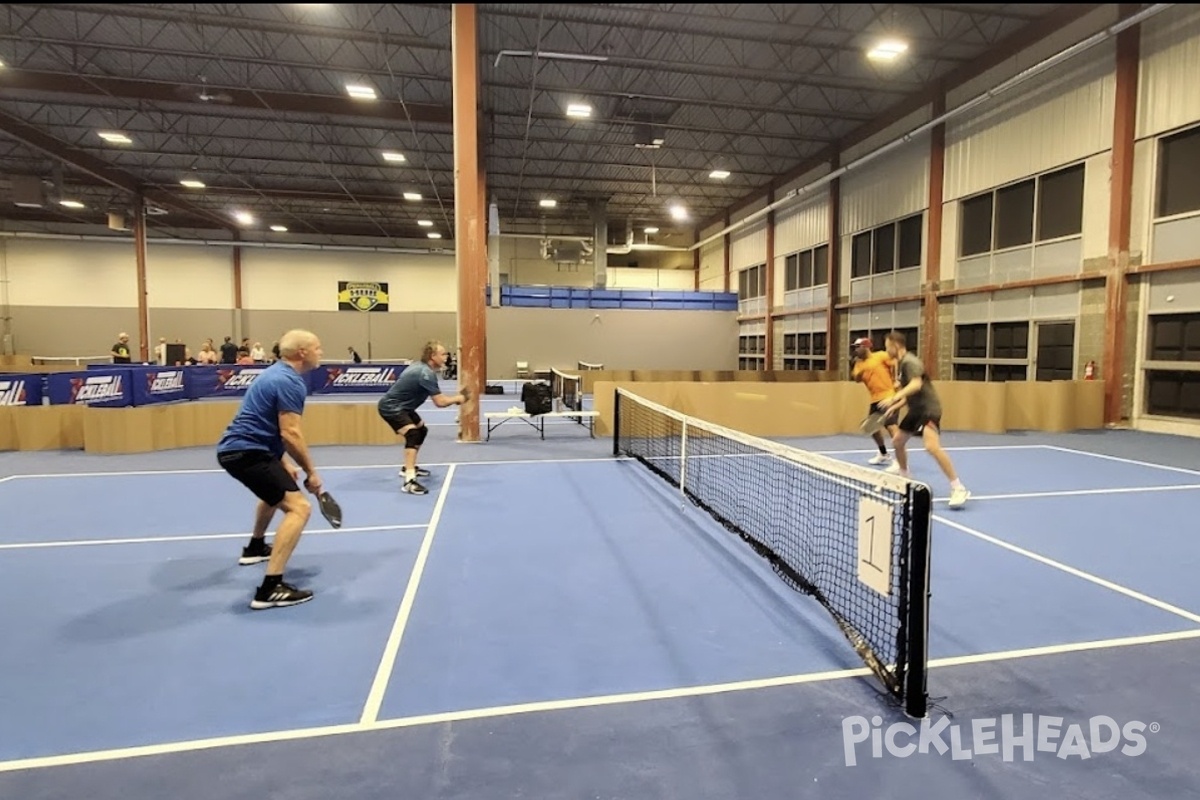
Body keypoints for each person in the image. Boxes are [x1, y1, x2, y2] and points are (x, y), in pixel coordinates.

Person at [216, 329, 325, 609]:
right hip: (246, 453)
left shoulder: (275, 373)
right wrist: (311, 472)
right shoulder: (289, 381)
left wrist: (282, 463)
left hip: (242, 450)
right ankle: (270, 588)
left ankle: (255, 548)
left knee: (275, 492)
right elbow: (290, 433)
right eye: (317, 347)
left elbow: (267, 427)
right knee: (299, 508)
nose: (320, 352)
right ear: (302, 352)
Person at [878, 330, 970, 509]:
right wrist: (893, 408)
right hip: (915, 410)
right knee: (897, 442)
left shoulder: (910, 362)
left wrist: (893, 398)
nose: (886, 350)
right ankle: (904, 478)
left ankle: (958, 487)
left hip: (929, 409)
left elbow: (916, 385)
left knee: (931, 446)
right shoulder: (901, 365)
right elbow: (909, 394)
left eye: (887, 346)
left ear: (895, 345)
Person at [377, 340, 470, 495]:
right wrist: (459, 399)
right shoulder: (425, 374)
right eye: (443, 354)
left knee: (422, 430)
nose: (446, 357)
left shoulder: (422, 368)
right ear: (432, 356)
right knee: (412, 434)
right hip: (391, 408)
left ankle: (409, 467)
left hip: (404, 407)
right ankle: (409, 481)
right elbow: (440, 402)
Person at [850, 336, 898, 465]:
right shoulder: (858, 363)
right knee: (872, 428)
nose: (856, 350)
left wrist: (896, 379)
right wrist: (859, 372)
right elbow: (856, 379)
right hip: (875, 399)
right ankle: (883, 453)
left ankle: (900, 460)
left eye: (858, 347)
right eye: (854, 347)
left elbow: (895, 363)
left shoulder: (881, 356)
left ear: (866, 347)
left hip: (889, 397)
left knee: (891, 427)